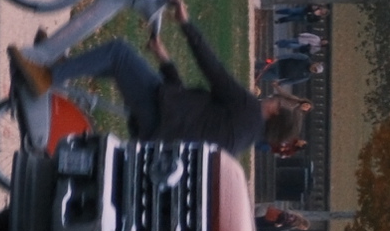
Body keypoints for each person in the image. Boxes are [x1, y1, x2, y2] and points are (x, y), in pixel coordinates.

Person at [23, 14, 301, 159]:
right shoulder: (238, 145)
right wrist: (164, 58)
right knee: (121, 68)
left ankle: (45, 77)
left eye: (275, 101)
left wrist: (185, 23)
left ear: (275, 111)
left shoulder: (248, 109)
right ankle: (64, 67)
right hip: (159, 129)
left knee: (119, 53)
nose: (269, 99)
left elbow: (213, 69)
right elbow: (191, 113)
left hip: (159, 110)